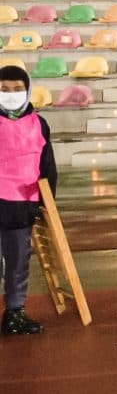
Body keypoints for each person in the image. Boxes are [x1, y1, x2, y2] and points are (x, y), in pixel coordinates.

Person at [0, 65, 56, 336]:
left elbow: (47, 167)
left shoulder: (39, 123)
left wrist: (47, 205)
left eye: (17, 89)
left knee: (18, 262)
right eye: (4, 90)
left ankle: (14, 313)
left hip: (22, 205)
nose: (11, 94)